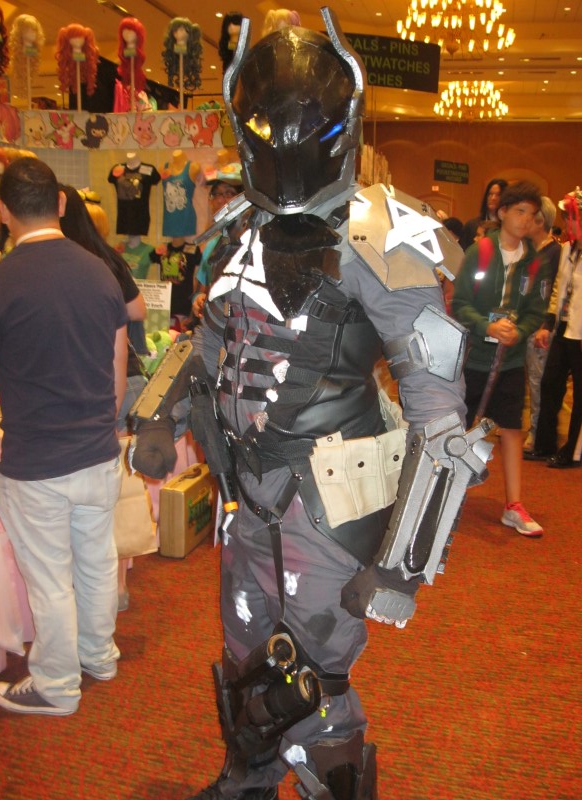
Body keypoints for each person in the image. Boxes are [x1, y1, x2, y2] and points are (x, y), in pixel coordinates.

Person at [132, 13, 492, 800]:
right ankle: (247, 779)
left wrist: (402, 564)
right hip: (245, 494)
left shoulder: (384, 234)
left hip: (331, 501)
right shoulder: (239, 229)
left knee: (313, 682)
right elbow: (209, 338)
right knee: (246, 652)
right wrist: (163, 411)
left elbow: (440, 415)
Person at [0, 157, 127, 715]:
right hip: (97, 451)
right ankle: (99, 655)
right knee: (95, 564)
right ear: (62, 203)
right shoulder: (100, 270)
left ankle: (56, 685)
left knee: (50, 579)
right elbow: (117, 372)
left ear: (3, 212)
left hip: (36, 460)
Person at [59, 185, 149, 612]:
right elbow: (137, 309)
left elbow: (138, 310)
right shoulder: (102, 259)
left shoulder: (78, 264)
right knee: (111, 492)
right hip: (118, 379)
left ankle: (105, 589)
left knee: (98, 498)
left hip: (103, 384)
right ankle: (115, 585)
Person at [452, 181, 549, 538]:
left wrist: (519, 331)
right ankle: (447, 494)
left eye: (532, 215)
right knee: (459, 427)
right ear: (503, 211)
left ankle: (514, 504)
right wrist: (487, 326)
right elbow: (460, 303)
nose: (525, 220)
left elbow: (535, 310)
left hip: (510, 361)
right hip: (473, 358)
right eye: (519, 211)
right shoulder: (479, 252)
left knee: (511, 429)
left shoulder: (534, 262)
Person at [525, 188, 582, 468]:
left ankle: (573, 451)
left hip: (580, 332)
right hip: (564, 329)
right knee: (549, 385)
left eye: (572, 218)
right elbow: (559, 288)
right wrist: (548, 324)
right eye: (566, 218)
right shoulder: (568, 249)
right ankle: (544, 443)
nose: (567, 223)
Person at [523, 196, 562, 452]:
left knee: (538, 381)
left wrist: (546, 325)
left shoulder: (555, 252)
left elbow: (555, 293)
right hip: (525, 323)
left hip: (541, 327)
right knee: (528, 380)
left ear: (540, 220)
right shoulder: (528, 250)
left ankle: (538, 432)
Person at [192, 165, 244, 320]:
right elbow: (201, 290)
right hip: (216, 324)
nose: (221, 200)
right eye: (216, 194)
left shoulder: (254, 242)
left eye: (229, 193)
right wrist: (198, 299)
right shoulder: (212, 246)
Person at [460, 177, 508, 250]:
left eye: (498, 195)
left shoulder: (508, 228)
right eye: (490, 194)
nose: (493, 198)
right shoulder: (471, 226)